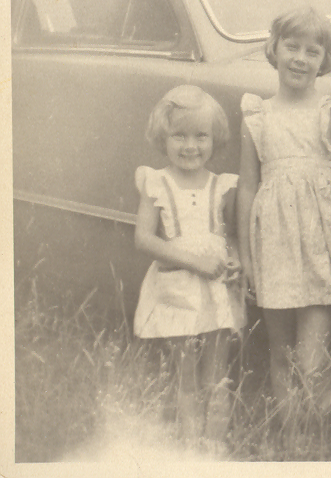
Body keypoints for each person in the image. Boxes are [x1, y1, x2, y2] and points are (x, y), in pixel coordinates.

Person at [236, 6, 331, 445]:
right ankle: (293, 446)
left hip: (320, 246)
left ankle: (320, 450)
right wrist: (246, 257)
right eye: (292, 46)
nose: (301, 58)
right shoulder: (257, 115)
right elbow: (247, 190)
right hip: (272, 245)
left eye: (313, 51)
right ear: (274, 48)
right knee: (280, 352)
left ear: (325, 59)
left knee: (313, 360)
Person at [133, 85, 245, 450]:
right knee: (185, 374)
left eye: (201, 136)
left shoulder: (223, 185)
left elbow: (231, 238)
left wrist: (234, 260)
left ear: (215, 139)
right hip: (178, 286)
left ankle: (212, 452)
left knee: (217, 373)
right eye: (179, 135)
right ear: (162, 138)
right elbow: (144, 240)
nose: (190, 146)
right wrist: (194, 261)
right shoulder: (157, 181)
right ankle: (188, 450)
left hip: (215, 291)